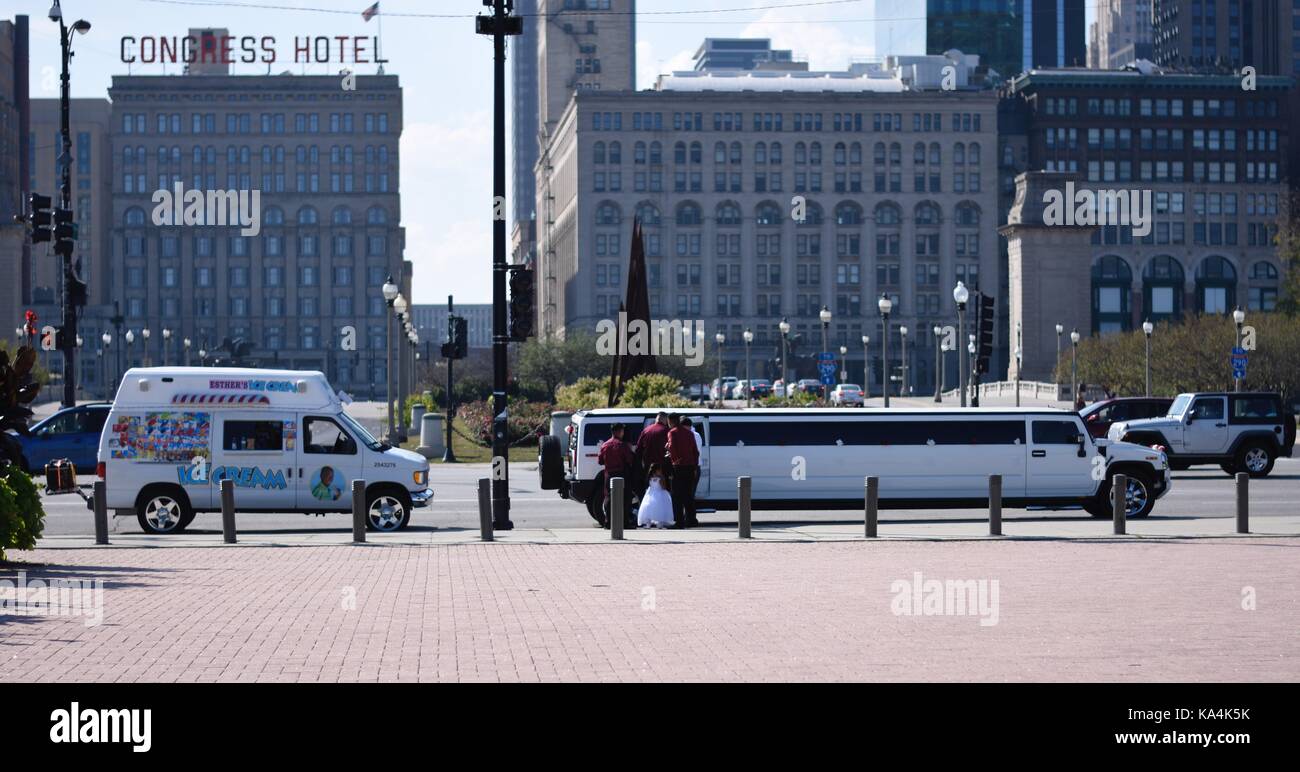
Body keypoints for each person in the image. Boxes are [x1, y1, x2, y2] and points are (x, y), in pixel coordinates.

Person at [596, 423, 637, 529]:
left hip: (608, 475)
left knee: (608, 499)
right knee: (625, 499)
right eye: (622, 431)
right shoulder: (622, 445)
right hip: (622, 474)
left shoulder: (605, 445)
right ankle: (624, 523)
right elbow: (630, 460)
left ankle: (608, 522)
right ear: (619, 431)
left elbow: (600, 461)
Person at [665, 413, 700, 528]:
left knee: (677, 495)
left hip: (678, 468)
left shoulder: (672, 432)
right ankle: (692, 520)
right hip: (690, 467)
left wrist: (675, 460)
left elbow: (672, 447)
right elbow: (696, 452)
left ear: (672, 421)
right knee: (688, 495)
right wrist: (694, 466)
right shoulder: (690, 433)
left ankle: (679, 522)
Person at [634, 412, 670, 496]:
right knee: (663, 492)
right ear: (665, 420)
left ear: (657, 419)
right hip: (663, 468)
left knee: (649, 492)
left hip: (648, 469)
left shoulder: (646, 430)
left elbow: (638, 450)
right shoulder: (667, 431)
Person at [636, 463, 674, 528]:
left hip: (651, 494)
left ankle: (648, 523)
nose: (661, 471)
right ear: (657, 470)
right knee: (661, 508)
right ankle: (660, 523)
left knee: (649, 508)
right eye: (660, 470)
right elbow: (663, 487)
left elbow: (650, 485)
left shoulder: (650, 477)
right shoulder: (661, 478)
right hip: (660, 493)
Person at [681, 417, 704, 506]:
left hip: (687, 467)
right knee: (691, 493)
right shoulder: (697, 435)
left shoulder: (687, 435)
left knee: (683, 494)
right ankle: (689, 516)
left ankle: (685, 515)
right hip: (696, 467)